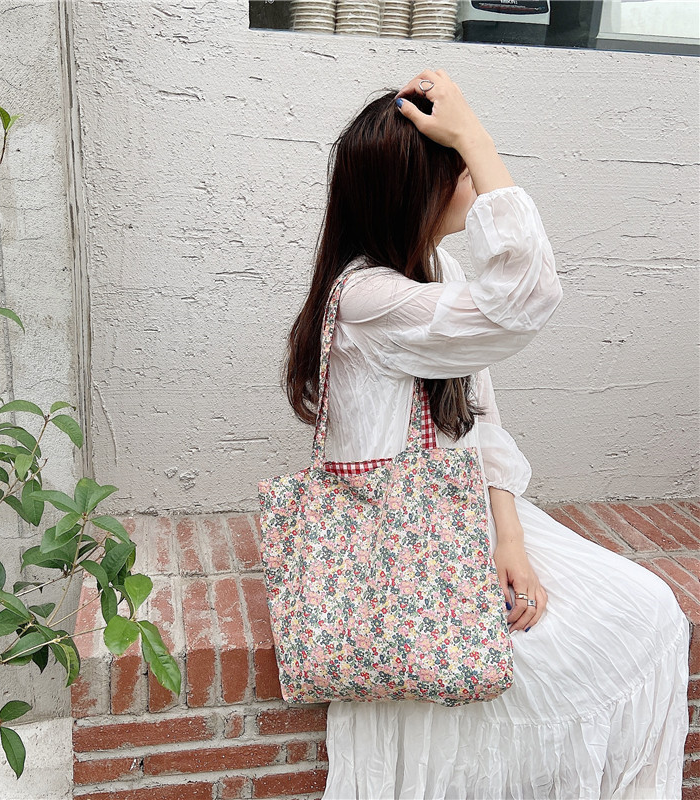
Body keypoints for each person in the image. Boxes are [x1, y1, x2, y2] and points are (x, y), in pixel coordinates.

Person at [282, 68, 690, 799]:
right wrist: (473, 133)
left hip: (457, 514)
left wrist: (510, 538)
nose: (473, 174)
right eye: (460, 165)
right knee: (580, 643)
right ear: (417, 189)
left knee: (652, 609)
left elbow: (478, 419)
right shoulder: (371, 299)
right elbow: (524, 296)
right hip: (401, 542)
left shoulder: (432, 269)